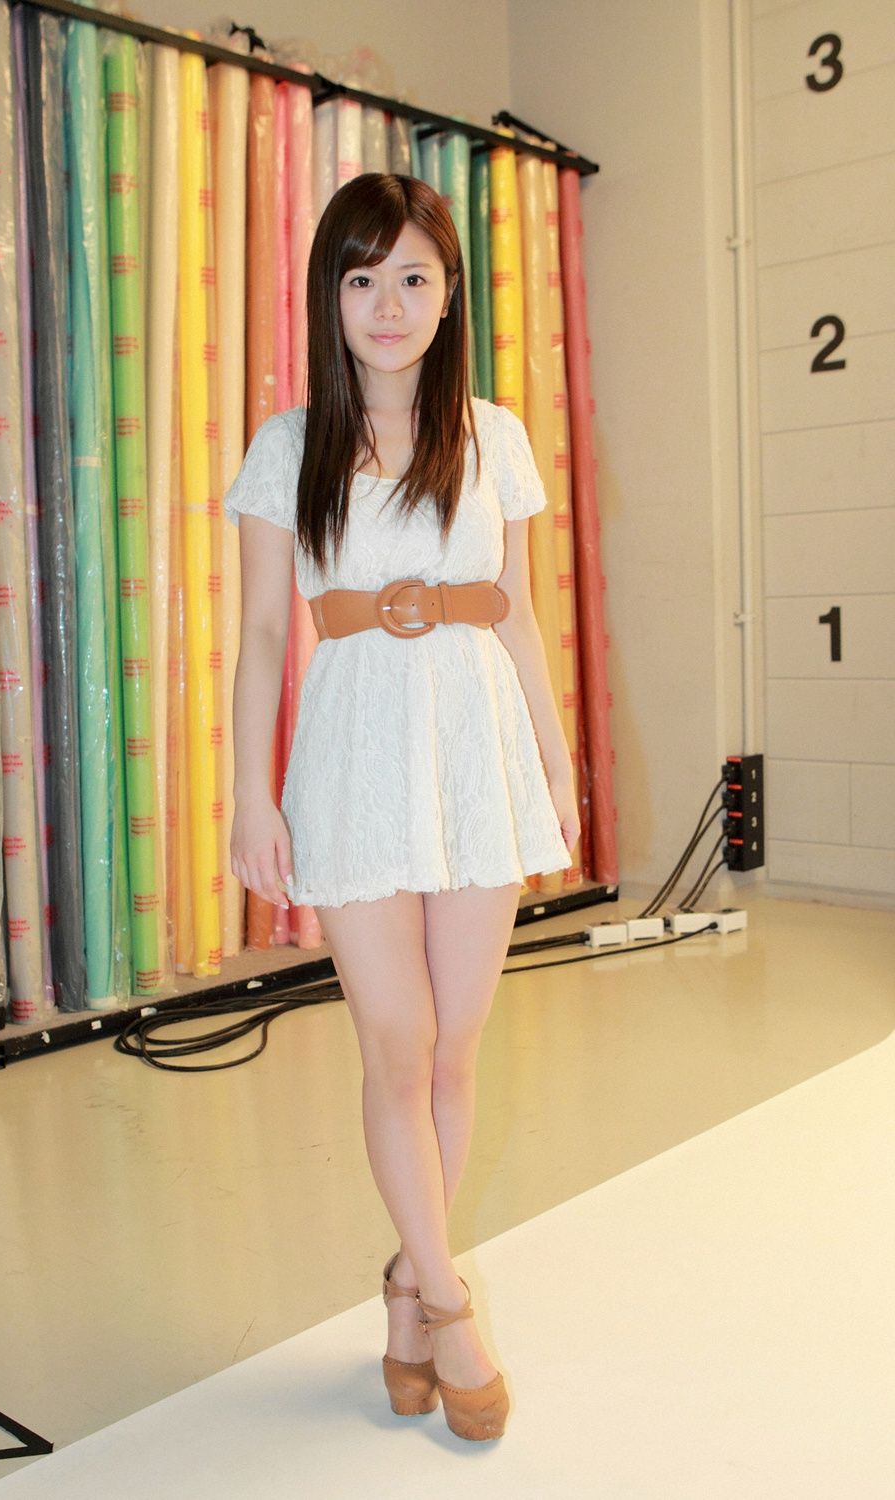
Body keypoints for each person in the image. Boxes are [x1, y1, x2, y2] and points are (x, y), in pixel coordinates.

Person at [224, 172, 580, 1441]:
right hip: (353, 759)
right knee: (394, 1043)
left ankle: (401, 1283)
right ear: (329, 293)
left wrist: (553, 763)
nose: (387, 303)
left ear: (448, 294)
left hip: (478, 751)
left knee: (454, 1050)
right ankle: (447, 1299)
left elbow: (518, 615)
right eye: (362, 276)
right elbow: (266, 634)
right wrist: (249, 794)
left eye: (413, 277)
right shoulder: (288, 446)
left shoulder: (494, 436)